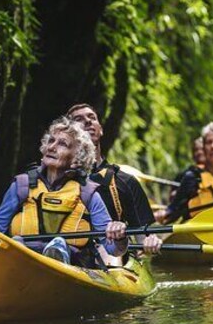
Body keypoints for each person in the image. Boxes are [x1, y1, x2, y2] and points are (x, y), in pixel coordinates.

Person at [0, 116, 129, 266]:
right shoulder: (22, 185)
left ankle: (56, 256)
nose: (51, 147)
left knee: (59, 244)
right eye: (51, 141)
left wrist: (119, 236)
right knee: (14, 243)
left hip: (70, 265)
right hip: (21, 256)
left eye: (62, 144)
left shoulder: (88, 194)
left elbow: (113, 249)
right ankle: (19, 260)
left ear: (76, 159)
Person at [66, 104, 162, 257]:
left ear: (101, 129)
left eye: (92, 118)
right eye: (79, 119)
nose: (88, 121)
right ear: (68, 135)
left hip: (112, 256)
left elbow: (144, 237)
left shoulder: (125, 182)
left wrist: (151, 242)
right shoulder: (56, 177)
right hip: (66, 250)